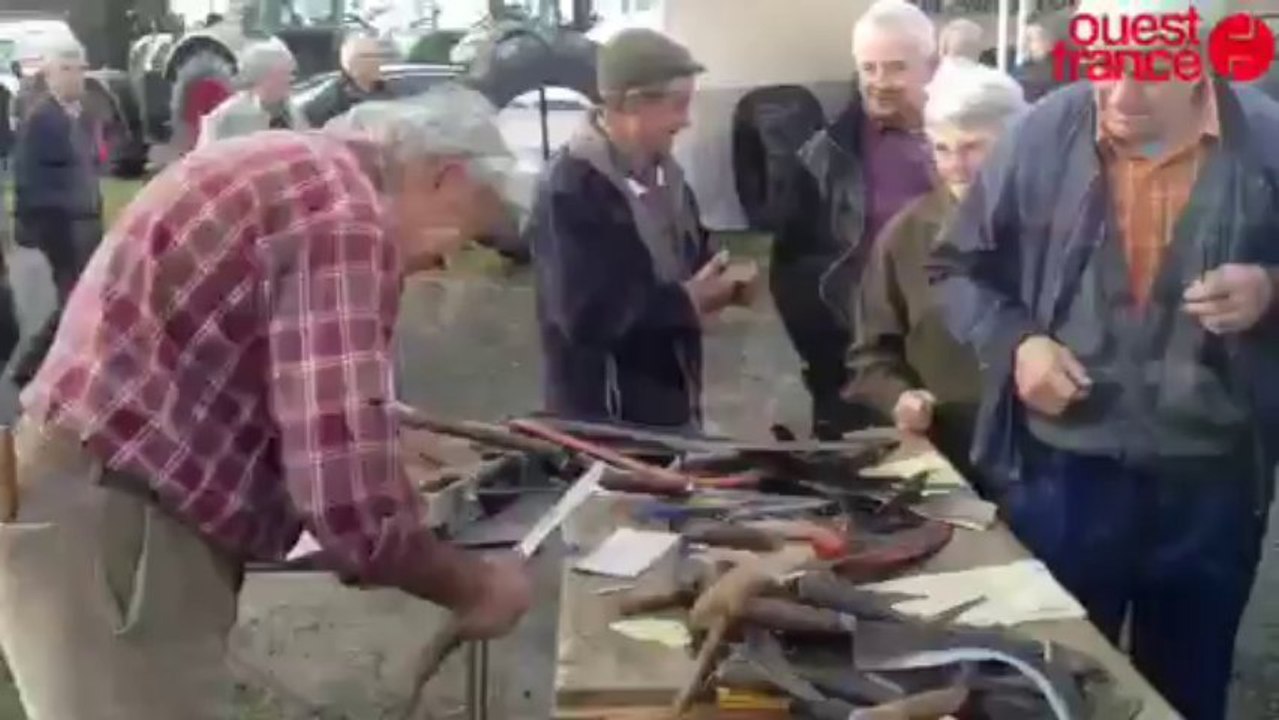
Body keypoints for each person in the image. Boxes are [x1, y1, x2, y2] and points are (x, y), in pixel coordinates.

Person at [0, 84, 532, 720]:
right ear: (445, 176)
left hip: (95, 504)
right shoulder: (343, 210)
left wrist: (381, 435)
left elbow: (276, 386)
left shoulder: (298, 168)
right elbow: (348, 502)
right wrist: (473, 584)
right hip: (117, 533)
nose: (441, 259)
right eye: (460, 234)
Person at [931, 0, 1279, 717]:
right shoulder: (1038, 136)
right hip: (1062, 475)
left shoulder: (1268, 141)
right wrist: (1017, 342)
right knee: (1049, 686)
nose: (1121, 93)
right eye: (1105, 62)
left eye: (1152, 67)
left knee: (1183, 691)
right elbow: (957, 267)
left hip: (1210, 484)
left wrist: (1272, 288)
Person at [526, 28, 753, 430]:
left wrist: (722, 279)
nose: (685, 121)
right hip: (607, 422)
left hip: (672, 408)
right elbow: (584, 315)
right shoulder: (570, 188)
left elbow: (690, 255)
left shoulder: (669, 175)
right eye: (677, 105)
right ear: (631, 104)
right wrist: (688, 302)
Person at [846, 58, 1025, 491]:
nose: (955, 167)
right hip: (954, 461)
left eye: (973, 148)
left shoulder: (1064, 227)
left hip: (1053, 464)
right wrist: (899, 398)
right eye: (942, 149)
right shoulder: (905, 237)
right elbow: (869, 357)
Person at [771, 0, 937, 439]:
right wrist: (828, 364)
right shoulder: (822, 158)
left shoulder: (965, 144)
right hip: (859, 371)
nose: (880, 83)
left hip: (951, 366)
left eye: (896, 67)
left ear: (931, 66)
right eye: (869, 68)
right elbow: (793, 273)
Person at [10, 40, 102, 386]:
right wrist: (53, 226)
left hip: (87, 221)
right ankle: (33, 368)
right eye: (65, 69)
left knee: (82, 298)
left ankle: (57, 367)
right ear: (48, 75)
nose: (75, 76)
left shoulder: (81, 113)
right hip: (62, 228)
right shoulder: (41, 119)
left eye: (79, 68)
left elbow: (88, 168)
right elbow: (30, 182)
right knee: (76, 300)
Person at [198, 39, 308, 147]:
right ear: (264, 77)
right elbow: (204, 160)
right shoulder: (224, 118)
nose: (292, 79)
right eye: (285, 73)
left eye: (292, 73)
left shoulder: (292, 112)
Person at [303, 34, 394, 127]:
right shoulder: (331, 100)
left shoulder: (388, 90)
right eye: (367, 56)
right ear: (348, 63)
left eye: (378, 56)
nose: (376, 61)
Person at [1012, 21, 1062, 101]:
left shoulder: (1059, 70)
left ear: (1048, 44)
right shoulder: (1020, 70)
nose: (1026, 43)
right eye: (1027, 39)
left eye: (1031, 39)